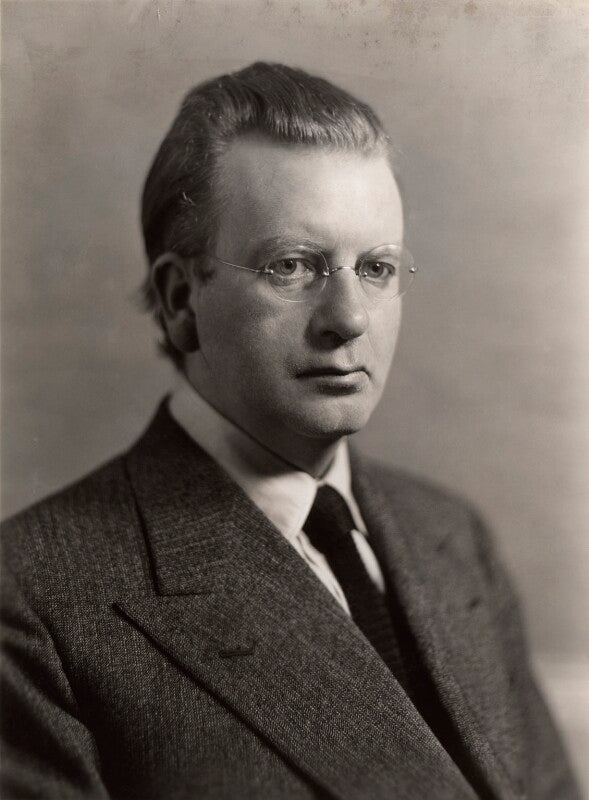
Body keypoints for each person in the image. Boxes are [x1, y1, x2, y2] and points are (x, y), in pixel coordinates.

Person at [1, 62, 580, 800]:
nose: (349, 319)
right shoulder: (33, 598)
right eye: (293, 266)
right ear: (180, 300)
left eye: (376, 268)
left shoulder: (451, 538)